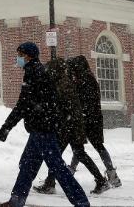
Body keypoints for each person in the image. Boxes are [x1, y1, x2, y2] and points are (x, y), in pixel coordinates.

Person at [0, 42, 90, 207]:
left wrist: (7, 126)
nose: (18, 58)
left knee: (58, 168)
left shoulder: (34, 73)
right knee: (27, 165)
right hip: (40, 128)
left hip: (43, 130)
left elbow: (22, 105)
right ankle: (16, 201)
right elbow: (38, 102)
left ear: (28, 56)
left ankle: (82, 202)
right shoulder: (37, 71)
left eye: (20, 55)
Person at [32, 55, 120, 196]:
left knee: (60, 153)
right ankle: (100, 180)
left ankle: (52, 183)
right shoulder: (70, 81)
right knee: (77, 153)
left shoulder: (69, 83)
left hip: (73, 124)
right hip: (76, 123)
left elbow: (68, 106)